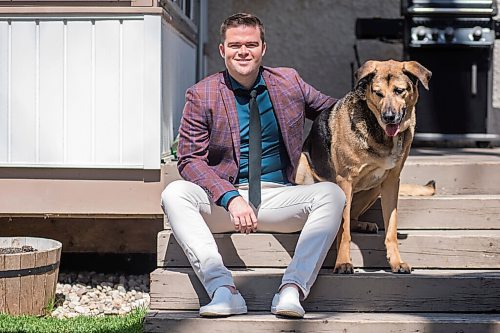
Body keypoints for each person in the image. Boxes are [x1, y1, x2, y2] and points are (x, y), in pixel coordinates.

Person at [161, 12, 345, 318]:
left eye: (251, 44)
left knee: (332, 195)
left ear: (263, 48)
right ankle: (223, 290)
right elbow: (190, 159)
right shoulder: (202, 94)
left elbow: (336, 113)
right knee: (174, 194)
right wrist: (230, 198)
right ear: (222, 50)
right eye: (235, 45)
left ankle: (293, 289)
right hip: (225, 202)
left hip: (279, 198)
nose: (243, 51)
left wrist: (378, 108)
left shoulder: (289, 82)